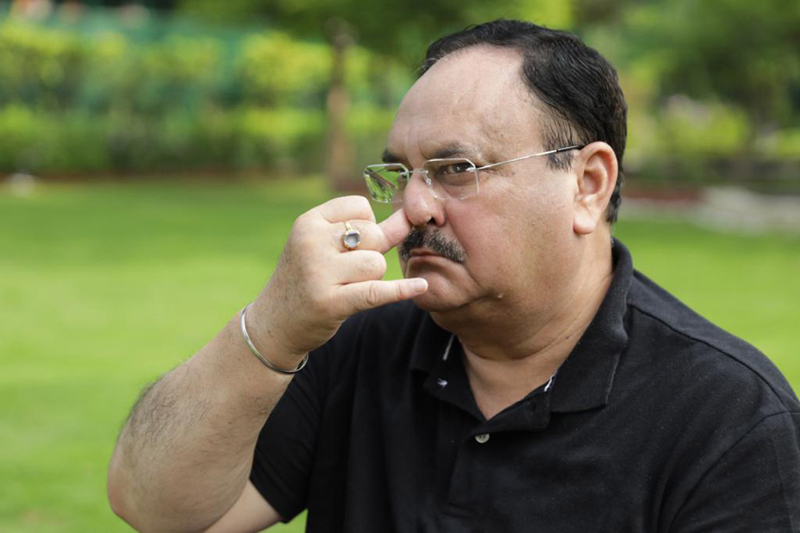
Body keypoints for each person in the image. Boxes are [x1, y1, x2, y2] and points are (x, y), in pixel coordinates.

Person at [107, 20, 800, 532]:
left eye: (455, 170)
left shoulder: (729, 418)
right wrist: (272, 329)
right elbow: (157, 510)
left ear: (588, 184)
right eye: (399, 174)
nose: (413, 207)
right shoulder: (357, 346)